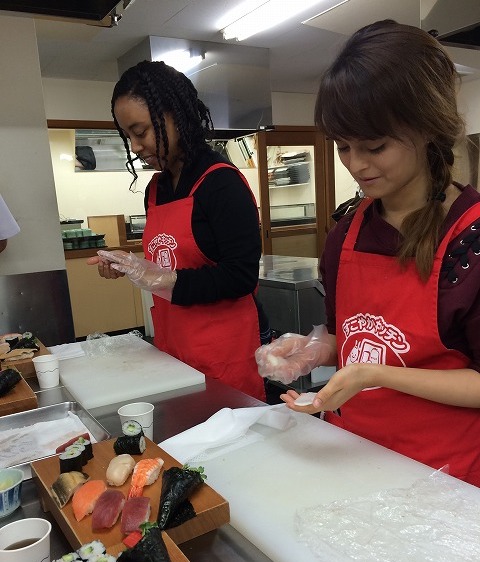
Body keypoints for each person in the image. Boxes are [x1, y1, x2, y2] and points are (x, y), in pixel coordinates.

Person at [255, 20, 480, 486]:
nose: (356, 164)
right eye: (343, 147)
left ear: (427, 129)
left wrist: (375, 375)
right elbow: (355, 338)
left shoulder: (470, 240)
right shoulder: (347, 235)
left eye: (374, 146)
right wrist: (315, 350)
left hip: (443, 478)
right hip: (351, 456)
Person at [87, 60, 269, 401]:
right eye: (128, 136)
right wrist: (133, 266)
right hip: (172, 346)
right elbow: (171, 259)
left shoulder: (220, 183)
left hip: (222, 352)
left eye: (141, 132)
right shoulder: (156, 189)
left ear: (175, 115)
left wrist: (161, 279)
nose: (136, 147)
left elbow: (240, 276)